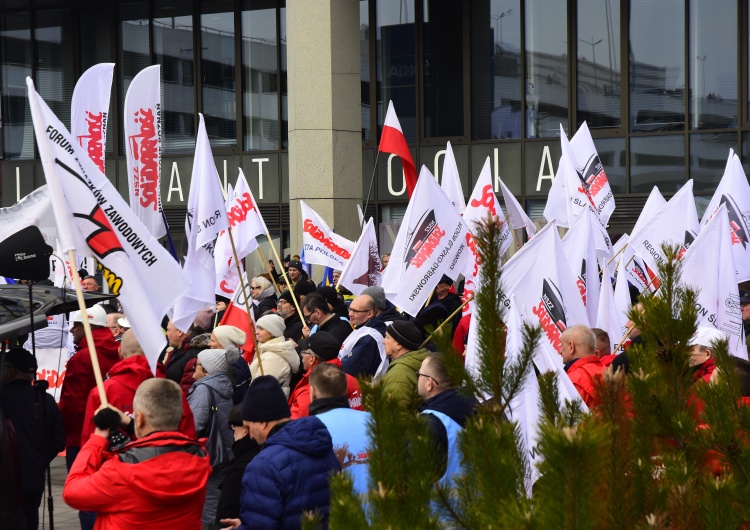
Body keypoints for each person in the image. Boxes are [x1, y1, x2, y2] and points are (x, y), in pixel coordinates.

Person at [63, 379, 212, 528]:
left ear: (139, 418)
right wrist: (130, 426)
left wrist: (97, 440)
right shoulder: (200, 457)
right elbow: (160, 441)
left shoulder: (120, 470)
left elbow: (72, 492)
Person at [220, 376, 340, 529]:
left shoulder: (263, 464)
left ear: (263, 423)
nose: (249, 435)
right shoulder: (323, 449)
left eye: (249, 427)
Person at [80, 330, 197, 446]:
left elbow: (91, 444)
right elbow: (188, 440)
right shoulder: (173, 391)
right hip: (168, 461)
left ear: (120, 352)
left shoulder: (102, 392)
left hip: (116, 463)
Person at [1, 348, 65, 530]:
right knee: (30, 519)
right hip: (33, 477)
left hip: (6, 480)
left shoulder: (3, 398)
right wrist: (40, 460)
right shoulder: (46, 400)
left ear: (10, 370)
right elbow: (58, 440)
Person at [59, 305, 120, 471]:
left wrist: (62, 430)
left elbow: (72, 403)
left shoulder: (82, 358)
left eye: (76, 325)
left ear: (89, 327)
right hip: (114, 434)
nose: (72, 330)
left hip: (81, 437)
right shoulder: (118, 352)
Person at [188, 348, 235, 527]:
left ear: (206, 370)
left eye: (196, 365)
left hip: (207, 453)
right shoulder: (223, 385)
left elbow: (195, 424)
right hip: (221, 450)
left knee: (208, 500)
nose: (194, 369)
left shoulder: (203, 390)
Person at [308, 363, 371, 497]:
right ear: (345, 389)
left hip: (335, 512)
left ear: (312, 392)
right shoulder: (375, 421)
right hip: (382, 511)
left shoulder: (308, 430)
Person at [417, 353, 479, 487]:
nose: (417, 378)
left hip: (439, 506)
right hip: (478, 502)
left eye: (419, 374)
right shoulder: (476, 407)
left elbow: (417, 477)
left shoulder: (429, 422)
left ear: (430, 383)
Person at [289, 331, 363, 418]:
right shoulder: (353, 381)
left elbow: (295, 422)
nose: (302, 356)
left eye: (303, 352)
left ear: (312, 359)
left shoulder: (313, 386)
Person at [215, 404, 262, 526]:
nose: (233, 432)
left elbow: (227, 515)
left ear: (245, 430)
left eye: (234, 427)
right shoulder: (262, 455)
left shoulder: (239, 469)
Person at [381, 321, 430, 411]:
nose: (383, 341)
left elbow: (393, 415)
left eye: (387, 337)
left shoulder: (399, 373)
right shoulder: (424, 361)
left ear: (399, 345)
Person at [251, 314, 301, 397]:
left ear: (272, 333)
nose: (256, 332)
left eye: (261, 328)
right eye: (257, 327)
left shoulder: (273, 358)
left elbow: (260, 388)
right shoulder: (267, 349)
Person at [340, 294, 387, 379]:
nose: (350, 314)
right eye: (350, 309)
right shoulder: (362, 327)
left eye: (355, 311)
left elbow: (349, 368)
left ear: (369, 314)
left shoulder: (369, 338)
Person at [561, 325, 605, 409]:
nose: (560, 351)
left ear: (571, 346)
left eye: (562, 345)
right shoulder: (609, 372)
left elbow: (570, 417)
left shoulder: (573, 380)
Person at [209, 325, 252, 404]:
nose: (209, 344)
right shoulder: (240, 360)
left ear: (223, 344)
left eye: (213, 341)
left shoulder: (226, 367)